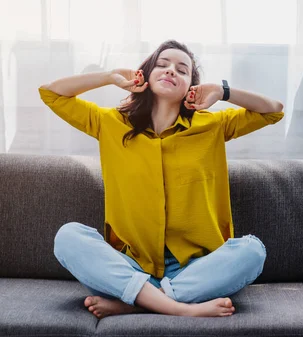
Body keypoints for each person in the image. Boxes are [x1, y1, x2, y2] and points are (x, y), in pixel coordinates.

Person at [39, 40, 284, 319]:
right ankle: (177, 307)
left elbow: (273, 110)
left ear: (191, 87)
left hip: (195, 269)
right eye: (162, 64)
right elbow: (51, 94)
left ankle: (137, 303)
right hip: (131, 267)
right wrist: (109, 77)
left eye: (182, 70)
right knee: (68, 236)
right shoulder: (110, 122)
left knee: (252, 251)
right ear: (145, 73)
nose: (170, 71)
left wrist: (221, 91)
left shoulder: (212, 125)